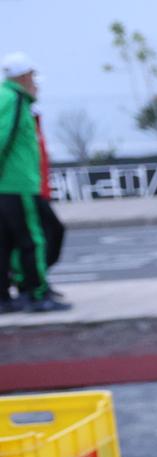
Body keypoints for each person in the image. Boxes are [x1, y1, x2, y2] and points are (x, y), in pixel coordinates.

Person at [0, 53, 65, 313]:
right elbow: (3, 138)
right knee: (33, 239)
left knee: (6, 242)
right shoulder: (14, 99)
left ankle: (5, 296)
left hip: (10, 184)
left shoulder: (8, 97)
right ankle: (37, 292)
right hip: (17, 183)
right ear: (25, 76)